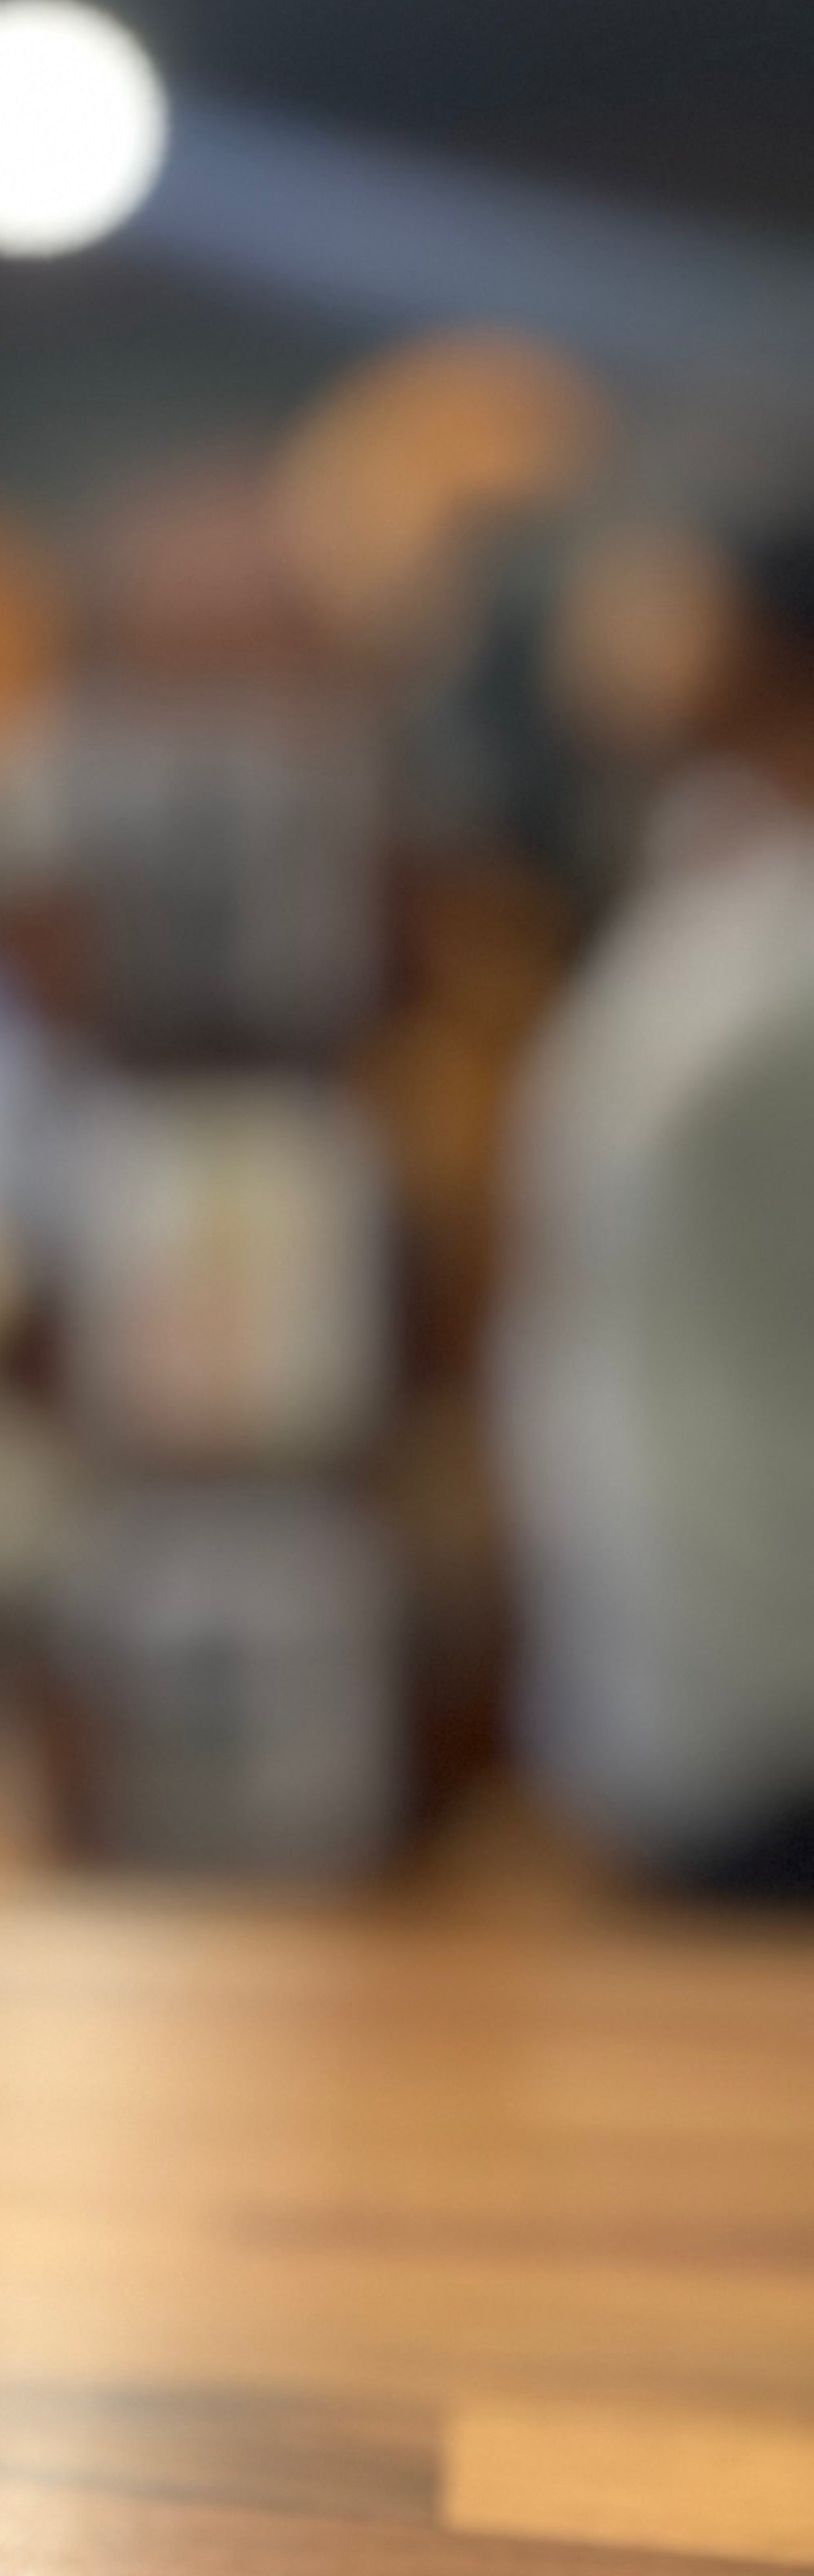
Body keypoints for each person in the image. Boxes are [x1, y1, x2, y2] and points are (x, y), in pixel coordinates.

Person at [500, 519, 814, 1888]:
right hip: (662, 1650)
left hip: (779, 1654)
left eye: (668, 600)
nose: (607, 635)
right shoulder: (703, 871)